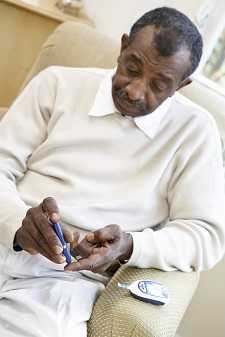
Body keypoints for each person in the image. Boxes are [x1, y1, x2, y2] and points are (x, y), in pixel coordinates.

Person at [0, 6, 224, 337]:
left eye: (159, 85)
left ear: (181, 84)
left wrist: (131, 246)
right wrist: (16, 223)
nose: (134, 91)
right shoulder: (57, 84)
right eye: (131, 68)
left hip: (63, 281)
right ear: (122, 47)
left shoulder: (194, 132)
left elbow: (207, 235)